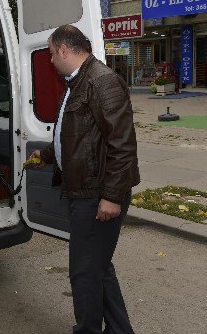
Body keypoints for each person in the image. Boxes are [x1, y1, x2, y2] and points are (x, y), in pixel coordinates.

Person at [31, 24, 139, 334]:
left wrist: (112, 197)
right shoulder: (78, 81)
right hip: (87, 191)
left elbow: (123, 145)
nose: (51, 60)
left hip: (97, 194)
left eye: (52, 54)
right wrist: (49, 155)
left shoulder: (102, 81)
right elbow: (80, 138)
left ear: (64, 50)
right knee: (98, 269)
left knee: (84, 273)